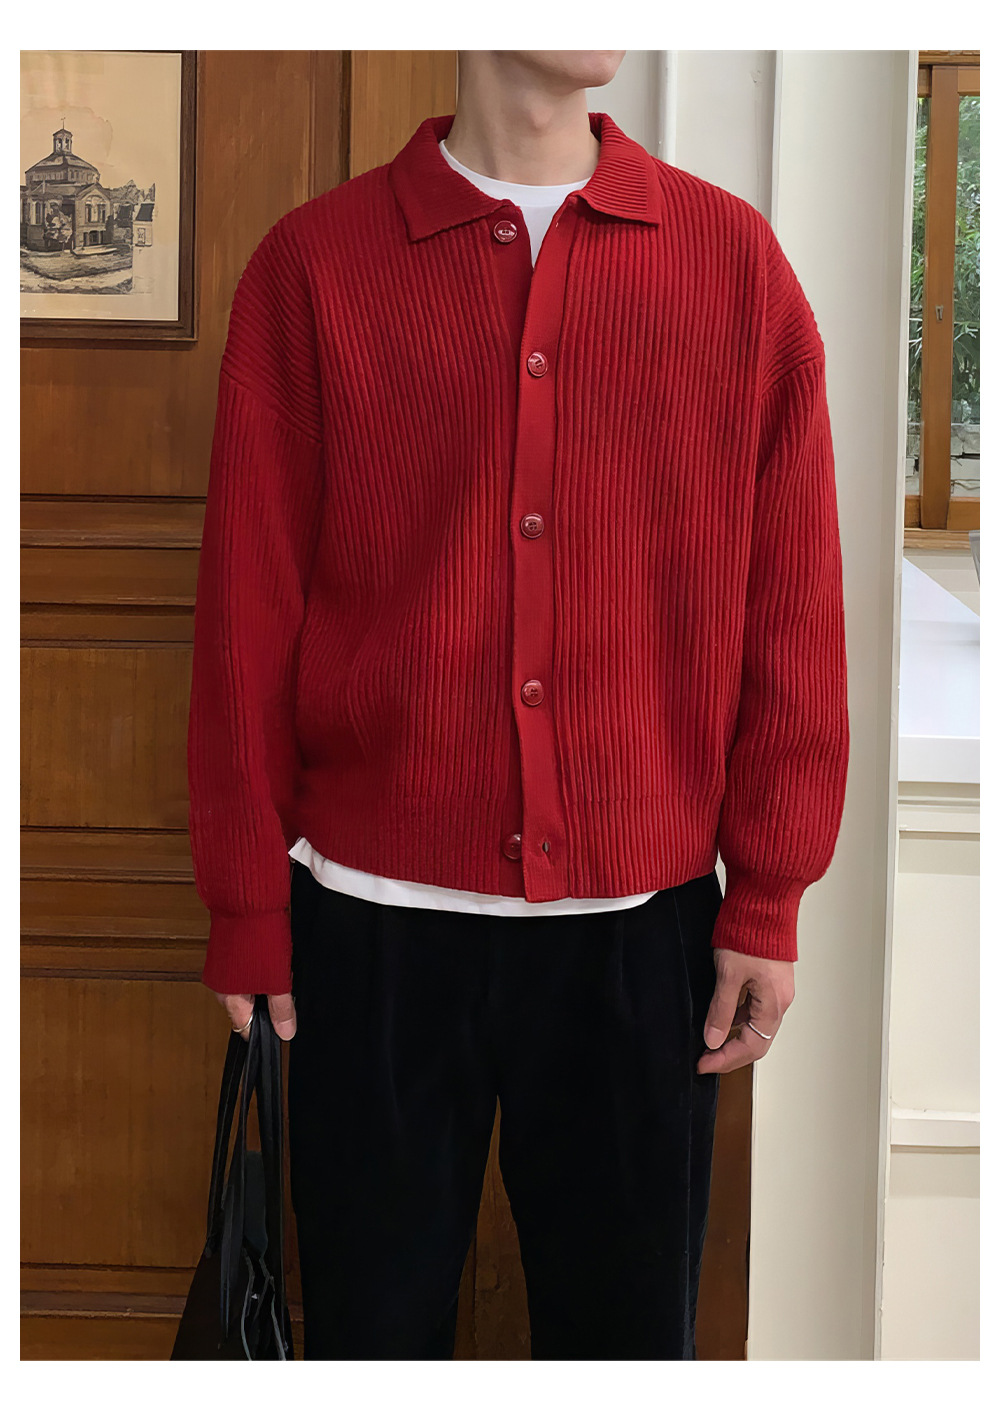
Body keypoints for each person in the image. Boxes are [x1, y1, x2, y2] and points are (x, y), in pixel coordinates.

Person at [186, 49, 850, 1360]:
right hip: (369, 932)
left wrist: (768, 892)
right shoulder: (314, 270)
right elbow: (246, 615)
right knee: (369, 1344)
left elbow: (794, 605)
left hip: (640, 933)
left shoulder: (733, 267)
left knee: (626, 1349)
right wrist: (248, 905)